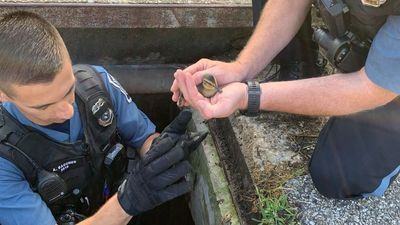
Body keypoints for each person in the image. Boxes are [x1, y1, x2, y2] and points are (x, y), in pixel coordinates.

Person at [172, 0, 400, 200]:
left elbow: (369, 88)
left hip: (385, 80)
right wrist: (242, 68)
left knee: (341, 175)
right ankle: (300, 67)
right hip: (376, 42)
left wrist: (250, 96)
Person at [0, 11, 206, 225]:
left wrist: (159, 154)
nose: (67, 112)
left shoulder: (96, 85)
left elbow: (143, 138)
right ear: (3, 96)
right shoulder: (4, 160)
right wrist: (127, 201)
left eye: (68, 90)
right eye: (44, 107)